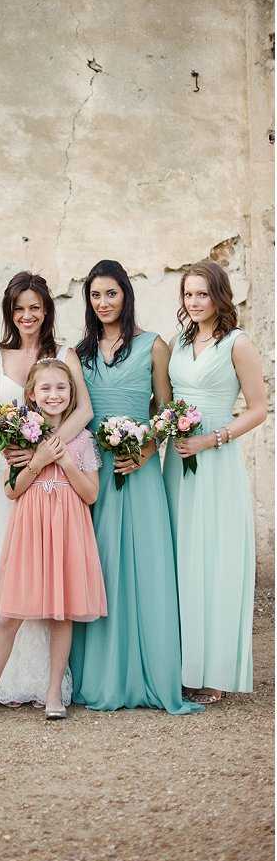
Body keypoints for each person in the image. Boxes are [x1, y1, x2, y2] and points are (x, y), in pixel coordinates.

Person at [70, 259, 202, 715]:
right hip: (94, 469)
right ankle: (99, 674)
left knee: (146, 563)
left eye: (111, 293)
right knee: (98, 562)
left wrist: (146, 450)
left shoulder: (153, 346)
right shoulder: (79, 353)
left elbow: (166, 412)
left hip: (139, 466)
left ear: (126, 295)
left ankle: (151, 670)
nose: (103, 303)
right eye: (95, 295)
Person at [0, 272, 93, 707]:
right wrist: (14, 445)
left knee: (51, 567)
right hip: (10, 465)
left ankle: (44, 682)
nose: (27, 315)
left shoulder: (63, 354)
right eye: (19, 308)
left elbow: (84, 409)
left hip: (52, 463)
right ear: (9, 312)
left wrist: (48, 448)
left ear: (47, 310)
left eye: (35, 307)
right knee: (6, 569)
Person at [164, 260, 267, 704]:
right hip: (178, 462)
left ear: (219, 295)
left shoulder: (237, 343)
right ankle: (187, 664)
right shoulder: (178, 342)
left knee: (215, 559)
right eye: (189, 294)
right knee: (183, 559)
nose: (195, 302)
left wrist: (213, 438)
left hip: (215, 460)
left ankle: (218, 672)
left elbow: (259, 408)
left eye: (203, 294)